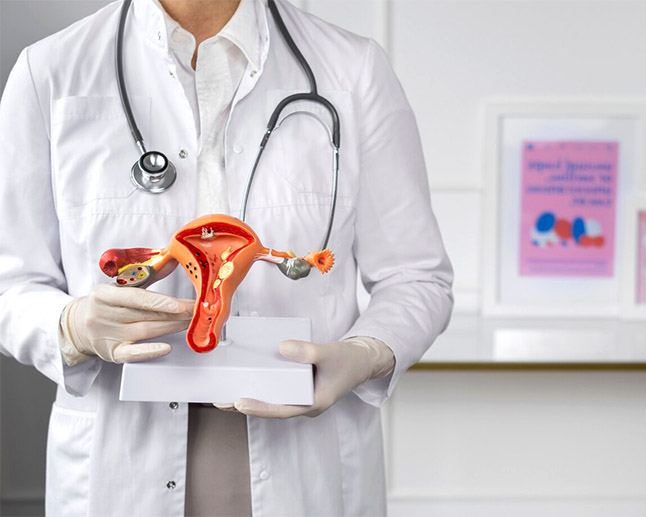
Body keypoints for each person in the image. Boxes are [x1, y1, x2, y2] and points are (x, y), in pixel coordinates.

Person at [0, 0, 454, 515]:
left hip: (305, 461)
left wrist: (367, 352)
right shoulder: (51, 71)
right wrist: (70, 327)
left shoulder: (353, 70)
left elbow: (417, 276)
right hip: (120, 460)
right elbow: (9, 283)